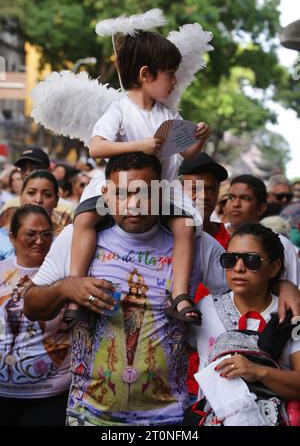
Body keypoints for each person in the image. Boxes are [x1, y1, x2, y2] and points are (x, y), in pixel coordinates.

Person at [24, 153, 300, 426]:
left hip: (168, 420)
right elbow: (32, 305)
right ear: (106, 194)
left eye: (144, 193)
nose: (133, 205)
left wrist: (284, 286)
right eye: (121, 194)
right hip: (88, 416)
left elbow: (247, 282)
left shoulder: (196, 243)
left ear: (161, 193)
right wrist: (65, 289)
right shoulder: (78, 237)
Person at [67, 29, 211, 324]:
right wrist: (139, 146)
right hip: (120, 192)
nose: (174, 81)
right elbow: (97, 147)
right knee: (83, 219)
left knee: (186, 225)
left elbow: (189, 156)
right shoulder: (118, 109)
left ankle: (180, 294)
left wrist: (199, 140)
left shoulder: (168, 115)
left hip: (161, 191)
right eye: (170, 74)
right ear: (146, 74)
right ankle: (75, 285)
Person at [188, 223, 300, 426]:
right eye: (229, 260)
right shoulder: (204, 309)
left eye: (251, 260)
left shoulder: (291, 313)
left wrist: (259, 371)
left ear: (274, 267)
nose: (238, 268)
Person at [0, 204, 71, 426]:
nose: (39, 241)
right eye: (30, 234)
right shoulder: (1, 270)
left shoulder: (67, 275)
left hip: (50, 395)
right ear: (12, 237)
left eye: (46, 234)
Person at [178, 153, 230, 401]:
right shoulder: (147, 234)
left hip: (209, 381)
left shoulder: (222, 246)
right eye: (196, 187)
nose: (206, 195)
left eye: (212, 188)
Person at [225, 175, 300, 286]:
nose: (236, 204)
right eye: (231, 197)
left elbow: (293, 289)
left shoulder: (281, 243)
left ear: (261, 208)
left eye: (245, 198)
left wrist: (286, 288)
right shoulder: (211, 236)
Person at [0, 148, 74, 228]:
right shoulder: (9, 207)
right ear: (21, 198)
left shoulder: (67, 210)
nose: (28, 172)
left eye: (34, 168)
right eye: (23, 168)